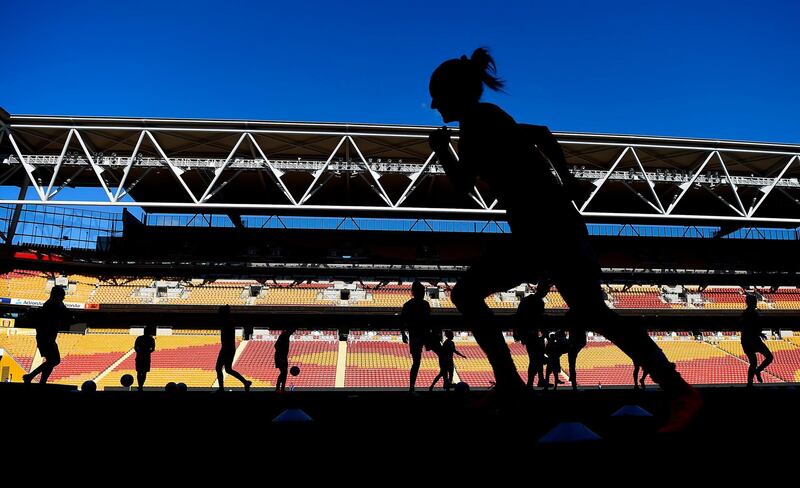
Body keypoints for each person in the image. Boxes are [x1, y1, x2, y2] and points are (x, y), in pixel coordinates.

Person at [427, 47, 701, 431]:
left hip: (546, 231)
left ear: (452, 93)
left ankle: (510, 385)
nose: (433, 105)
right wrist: (566, 178)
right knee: (594, 314)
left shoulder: (475, 122)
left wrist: (441, 152)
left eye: (437, 96)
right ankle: (677, 390)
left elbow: (463, 187)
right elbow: (541, 133)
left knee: (468, 294)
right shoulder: (488, 117)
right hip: (551, 229)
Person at [22, 286, 72, 385]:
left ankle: (41, 381)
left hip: (47, 337)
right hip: (46, 337)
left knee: (51, 361)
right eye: (62, 295)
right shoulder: (54, 304)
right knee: (55, 360)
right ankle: (31, 376)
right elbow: (66, 314)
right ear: (57, 295)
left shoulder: (51, 303)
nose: (64, 298)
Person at [400, 280, 432, 392]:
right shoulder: (424, 305)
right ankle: (412, 386)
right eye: (422, 292)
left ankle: (412, 387)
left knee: (416, 362)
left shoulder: (408, 305)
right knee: (417, 362)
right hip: (421, 335)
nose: (423, 294)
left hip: (417, 335)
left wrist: (403, 334)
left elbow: (402, 321)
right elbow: (429, 321)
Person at [514, 286, 549, 388]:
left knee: (536, 359)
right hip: (531, 335)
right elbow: (539, 320)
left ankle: (539, 381)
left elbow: (518, 316)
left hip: (529, 334)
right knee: (535, 359)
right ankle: (531, 383)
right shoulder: (537, 302)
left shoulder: (526, 301)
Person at [215, 305, 252, 392]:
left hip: (226, 348)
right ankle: (245, 382)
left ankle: (221, 389)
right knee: (228, 369)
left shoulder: (227, 321)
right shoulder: (229, 320)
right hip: (229, 348)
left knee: (219, 368)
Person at [741, 294, 773, 387]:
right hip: (752, 340)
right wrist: (759, 333)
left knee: (753, 362)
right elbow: (751, 327)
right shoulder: (751, 314)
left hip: (747, 341)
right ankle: (756, 373)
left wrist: (759, 333)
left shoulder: (746, 313)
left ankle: (750, 383)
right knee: (768, 357)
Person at [134, 325, 156, 391]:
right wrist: (147, 352)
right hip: (146, 357)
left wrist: (139, 352)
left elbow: (135, 347)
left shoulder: (139, 338)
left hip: (140, 357)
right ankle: (141, 386)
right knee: (143, 372)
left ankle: (140, 386)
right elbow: (153, 349)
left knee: (139, 372)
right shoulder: (151, 339)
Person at [275, 327, 296, 392]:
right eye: (292, 331)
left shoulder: (286, 335)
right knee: (283, 372)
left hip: (282, 357)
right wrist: (281, 357)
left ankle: (281, 388)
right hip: (280, 357)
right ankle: (278, 388)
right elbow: (276, 346)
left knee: (284, 372)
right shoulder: (284, 335)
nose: (293, 332)